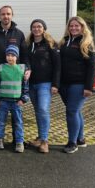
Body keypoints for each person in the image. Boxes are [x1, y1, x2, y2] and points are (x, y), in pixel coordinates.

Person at [0, 6, 30, 143]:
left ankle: (18, 140)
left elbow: (25, 55)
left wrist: (28, 69)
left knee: (17, 115)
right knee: (0, 111)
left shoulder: (19, 34)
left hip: (15, 81)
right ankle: (0, 138)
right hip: (0, 77)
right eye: (3, 14)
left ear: (12, 15)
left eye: (8, 14)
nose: (6, 16)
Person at [59, 16, 95, 154]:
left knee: (71, 111)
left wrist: (89, 87)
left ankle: (72, 142)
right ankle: (80, 139)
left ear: (82, 27)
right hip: (64, 84)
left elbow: (92, 67)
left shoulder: (87, 43)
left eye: (77, 26)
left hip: (79, 84)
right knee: (76, 111)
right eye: (71, 26)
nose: (73, 28)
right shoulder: (64, 42)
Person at [26, 19, 60, 153]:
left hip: (45, 84)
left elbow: (58, 66)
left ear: (44, 29)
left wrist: (56, 84)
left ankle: (45, 141)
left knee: (43, 109)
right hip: (32, 83)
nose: (36, 29)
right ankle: (39, 138)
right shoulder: (28, 45)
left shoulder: (51, 45)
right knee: (38, 111)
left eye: (39, 26)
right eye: (34, 27)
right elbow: (25, 60)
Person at [0, 45, 30, 153]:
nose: (10, 57)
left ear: (17, 57)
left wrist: (23, 99)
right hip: (3, 101)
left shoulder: (22, 69)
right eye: (8, 55)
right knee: (0, 122)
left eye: (13, 55)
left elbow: (25, 86)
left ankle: (19, 142)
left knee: (18, 123)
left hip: (16, 102)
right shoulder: (0, 68)